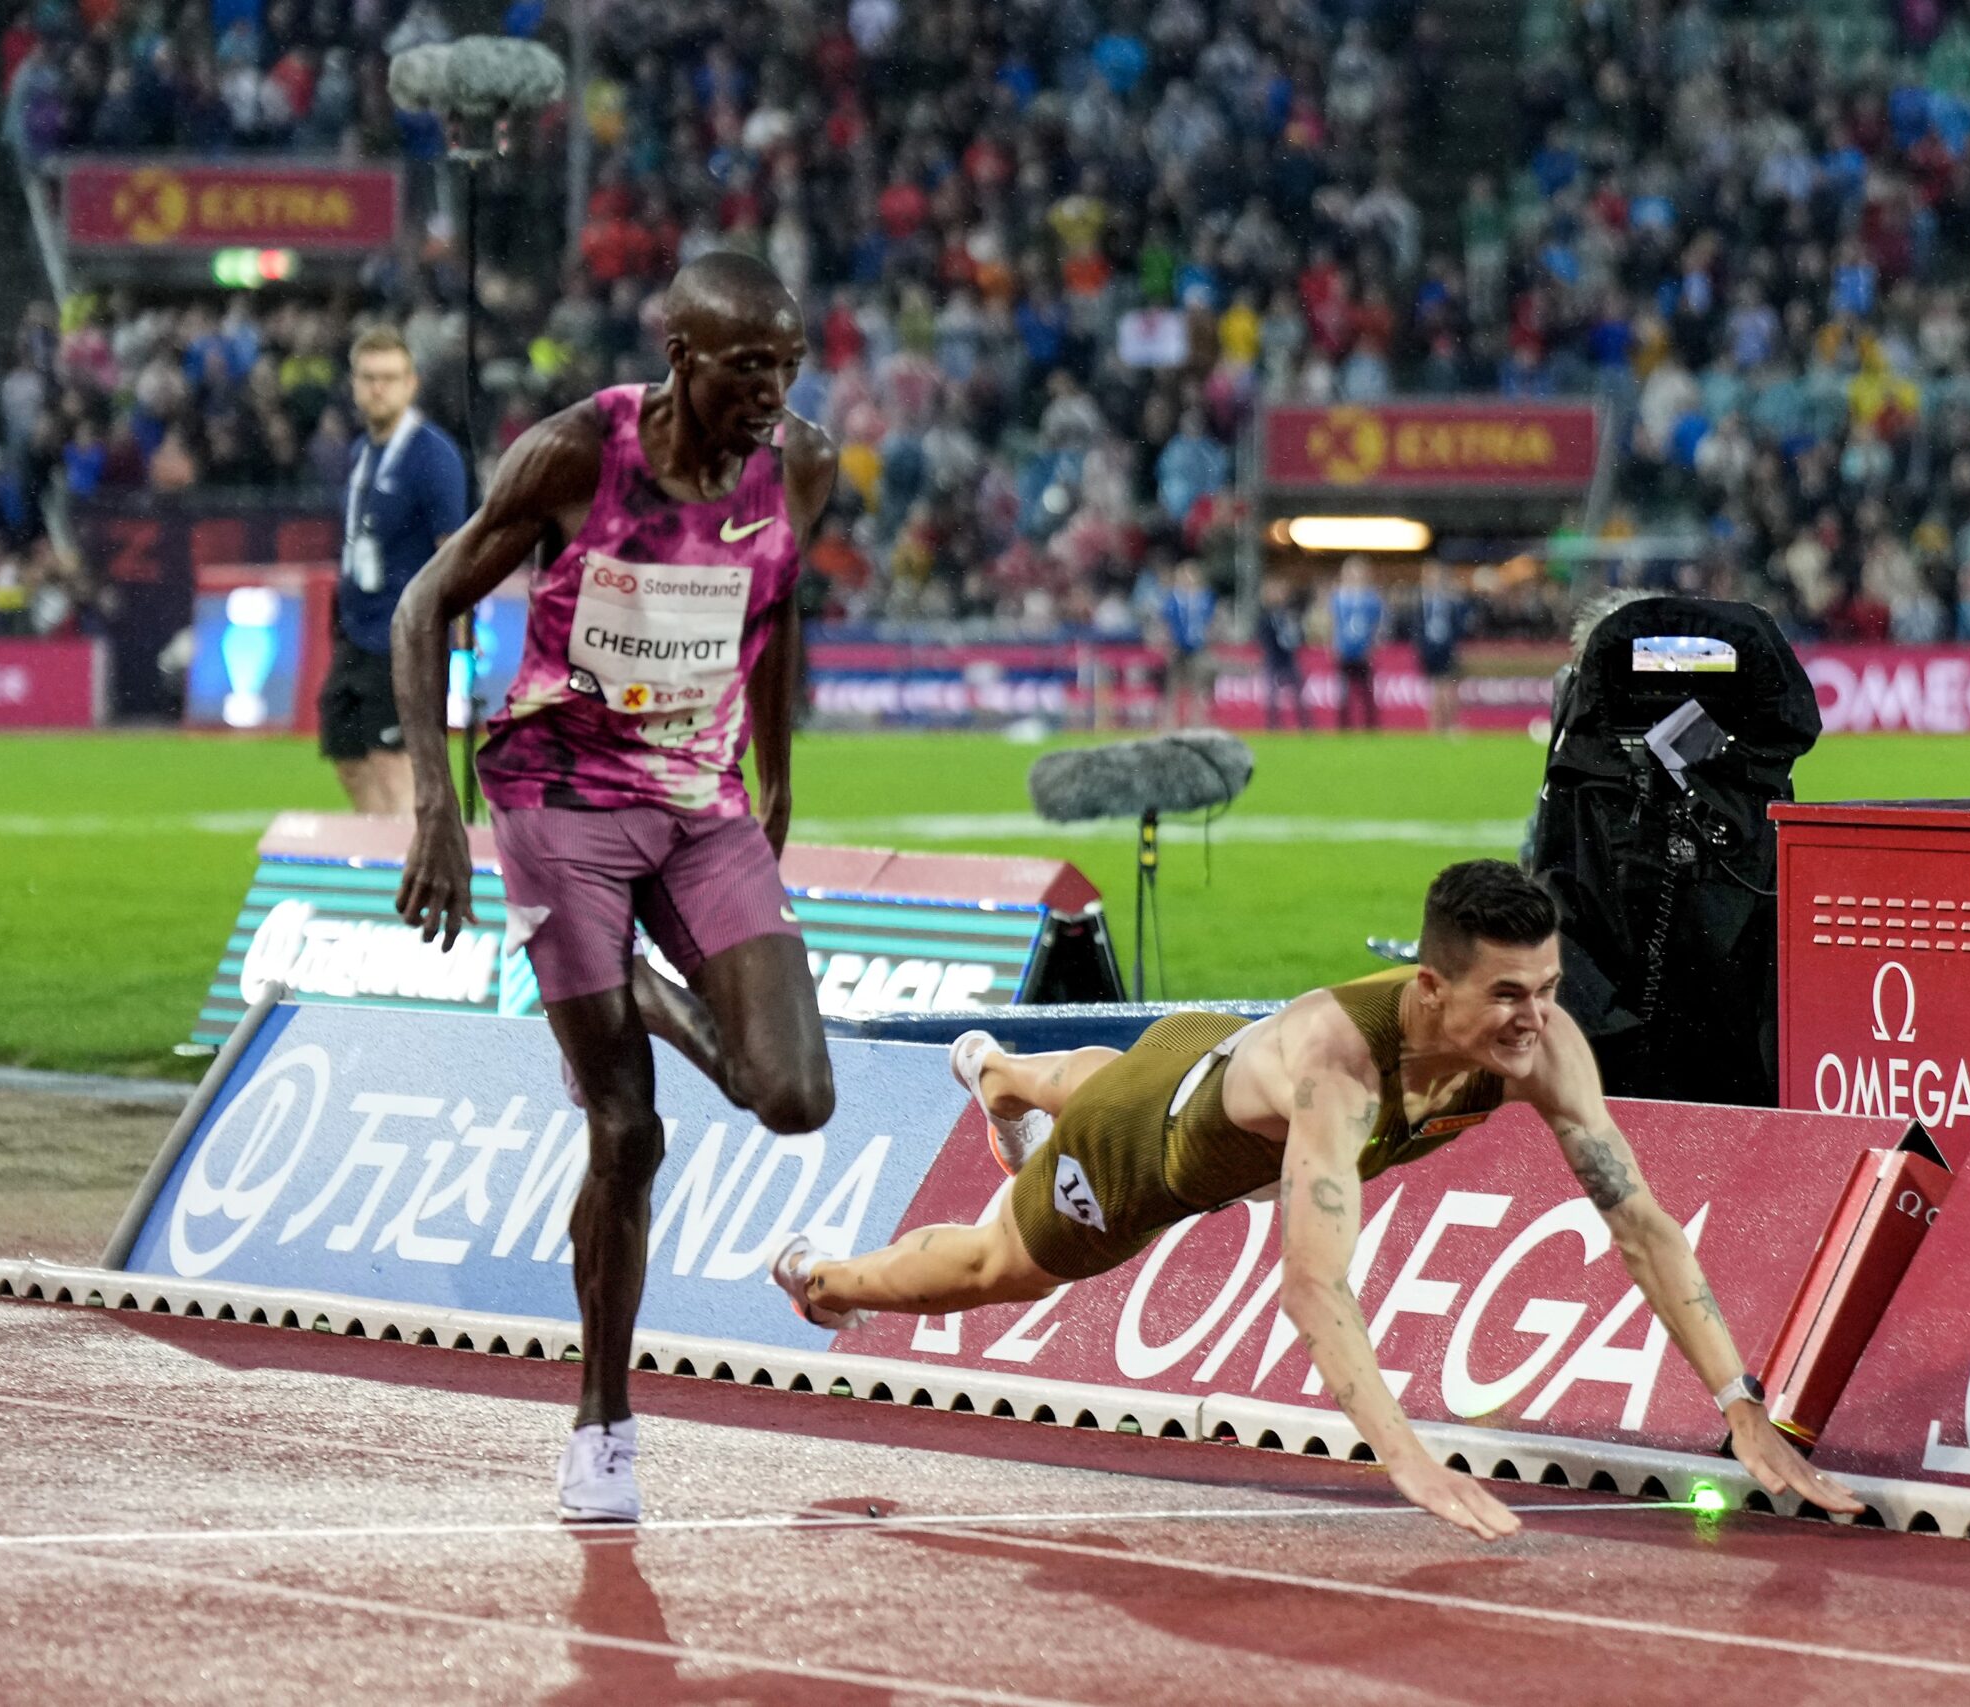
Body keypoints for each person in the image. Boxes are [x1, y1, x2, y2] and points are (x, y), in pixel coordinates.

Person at [772, 860, 1862, 1541]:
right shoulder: (1340, 1072)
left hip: (1200, 1059)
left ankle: (1003, 1073)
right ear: (1428, 990)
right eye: (1505, 997)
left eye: (1547, 989)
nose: (1535, 1021)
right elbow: (1312, 1284)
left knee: (1116, 1071)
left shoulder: (1538, 1044)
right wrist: (1405, 1453)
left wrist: (1740, 1406)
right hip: (1136, 1158)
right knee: (986, 1267)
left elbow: (1640, 1224)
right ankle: (820, 1275)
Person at [391, 253, 838, 1523]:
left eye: (787, 366)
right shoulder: (578, 453)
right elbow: (426, 603)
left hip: (701, 803)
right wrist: (438, 805)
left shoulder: (800, 464)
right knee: (627, 1132)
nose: (770, 390)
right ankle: (602, 1421)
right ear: (680, 353)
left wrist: (778, 767)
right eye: (746, 366)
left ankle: (624, 980)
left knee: (793, 1095)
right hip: (555, 794)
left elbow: (782, 600)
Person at [324, 327, 467, 813]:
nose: (377, 388)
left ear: (412, 384)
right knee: (349, 759)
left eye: (389, 377)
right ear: (354, 384)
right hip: (357, 634)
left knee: (394, 765)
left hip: (407, 639)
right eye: (368, 378)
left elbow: (455, 552)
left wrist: (460, 643)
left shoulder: (432, 455)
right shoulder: (362, 453)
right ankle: (378, 873)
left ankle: (409, 878)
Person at [1157, 558, 1220, 729]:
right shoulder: (1173, 599)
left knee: (1197, 686)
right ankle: (1170, 723)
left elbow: (1211, 621)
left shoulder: (1205, 598)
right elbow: (1166, 622)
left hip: (1197, 647)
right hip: (1178, 647)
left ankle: (1196, 721)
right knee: (1173, 687)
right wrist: (1167, 644)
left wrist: (1208, 637)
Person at [1331, 554, 1385, 730]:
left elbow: (1376, 625)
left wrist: (1372, 645)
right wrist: (1334, 644)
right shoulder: (1338, 596)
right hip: (1345, 650)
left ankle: (1370, 727)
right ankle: (1344, 727)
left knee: (1366, 692)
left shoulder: (1371, 598)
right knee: (1344, 692)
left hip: (1363, 651)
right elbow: (1334, 623)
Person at [1415, 560, 1469, 735]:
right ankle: (1436, 726)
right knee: (1436, 690)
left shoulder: (1451, 601)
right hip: (1430, 649)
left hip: (1447, 648)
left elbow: (1461, 623)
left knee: (1448, 688)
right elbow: (1416, 625)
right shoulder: (1421, 601)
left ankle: (1451, 724)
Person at [1256, 576, 1311, 730]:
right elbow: (1260, 637)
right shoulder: (1265, 616)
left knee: (1299, 695)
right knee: (1272, 697)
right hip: (1273, 659)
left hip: (1288, 659)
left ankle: (1306, 726)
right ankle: (1273, 726)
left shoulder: (1289, 614)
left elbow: (1300, 637)